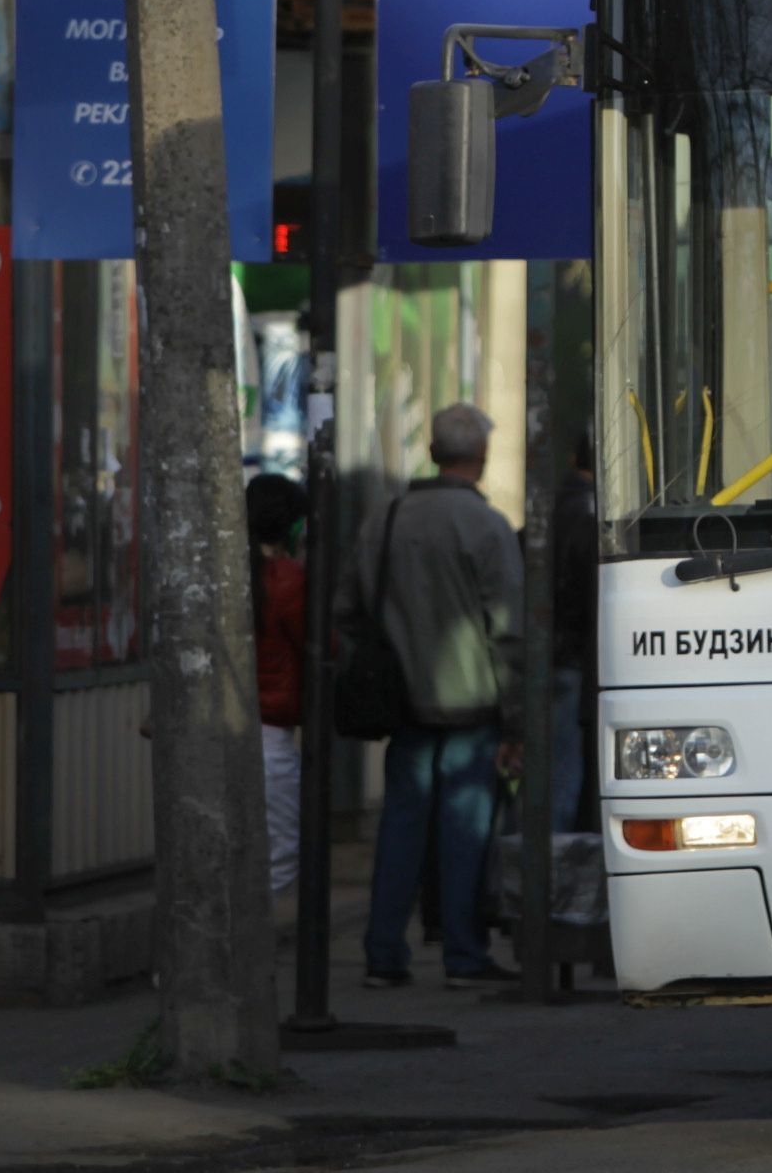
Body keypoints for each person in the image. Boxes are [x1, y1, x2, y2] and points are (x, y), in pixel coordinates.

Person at [338, 404, 523, 990]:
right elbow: (510, 628)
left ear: (435, 452)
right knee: (465, 834)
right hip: (473, 707)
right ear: (482, 456)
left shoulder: (385, 519)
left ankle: (383, 955)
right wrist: (518, 720)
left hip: (405, 704)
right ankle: (464, 955)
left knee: (400, 829)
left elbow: (348, 606)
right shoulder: (488, 527)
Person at [247, 473, 308, 907]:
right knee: (280, 853)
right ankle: (238, 949)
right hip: (270, 731)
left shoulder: (225, 574)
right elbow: (322, 645)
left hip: (219, 725)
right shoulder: (286, 579)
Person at [549, 436, 597, 832]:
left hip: (551, 654)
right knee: (565, 778)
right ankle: (553, 882)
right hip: (574, 660)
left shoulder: (550, 508)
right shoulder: (589, 515)